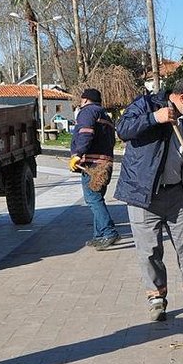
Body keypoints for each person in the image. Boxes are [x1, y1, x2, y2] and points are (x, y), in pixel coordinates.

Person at [114, 77, 183, 322]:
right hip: (143, 194)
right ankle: (156, 299)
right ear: (180, 98)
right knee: (149, 251)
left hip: (177, 193)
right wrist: (154, 118)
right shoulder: (145, 105)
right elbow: (122, 129)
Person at [69, 88, 120, 249]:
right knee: (98, 197)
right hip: (106, 163)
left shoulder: (87, 112)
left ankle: (109, 232)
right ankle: (99, 236)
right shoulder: (105, 115)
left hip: (92, 165)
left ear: (84, 100)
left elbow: (85, 133)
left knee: (92, 199)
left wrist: (78, 154)